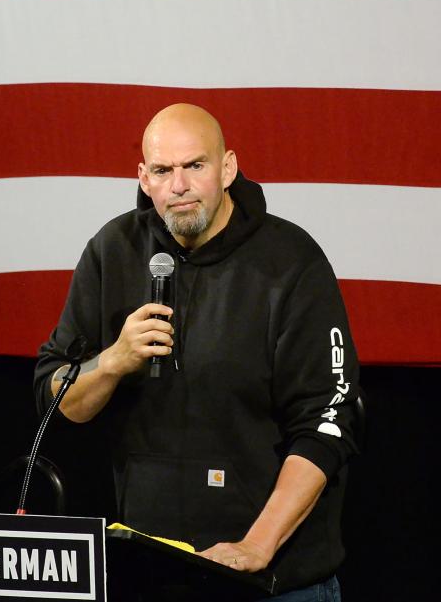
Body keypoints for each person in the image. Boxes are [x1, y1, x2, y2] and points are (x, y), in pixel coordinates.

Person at [34, 103, 361, 599]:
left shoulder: (291, 262)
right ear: (144, 178)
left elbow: (327, 424)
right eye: (163, 171)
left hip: (271, 581)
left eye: (195, 166)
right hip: (152, 571)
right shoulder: (112, 250)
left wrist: (256, 546)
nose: (179, 186)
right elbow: (58, 400)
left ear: (227, 168)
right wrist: (113, 361)